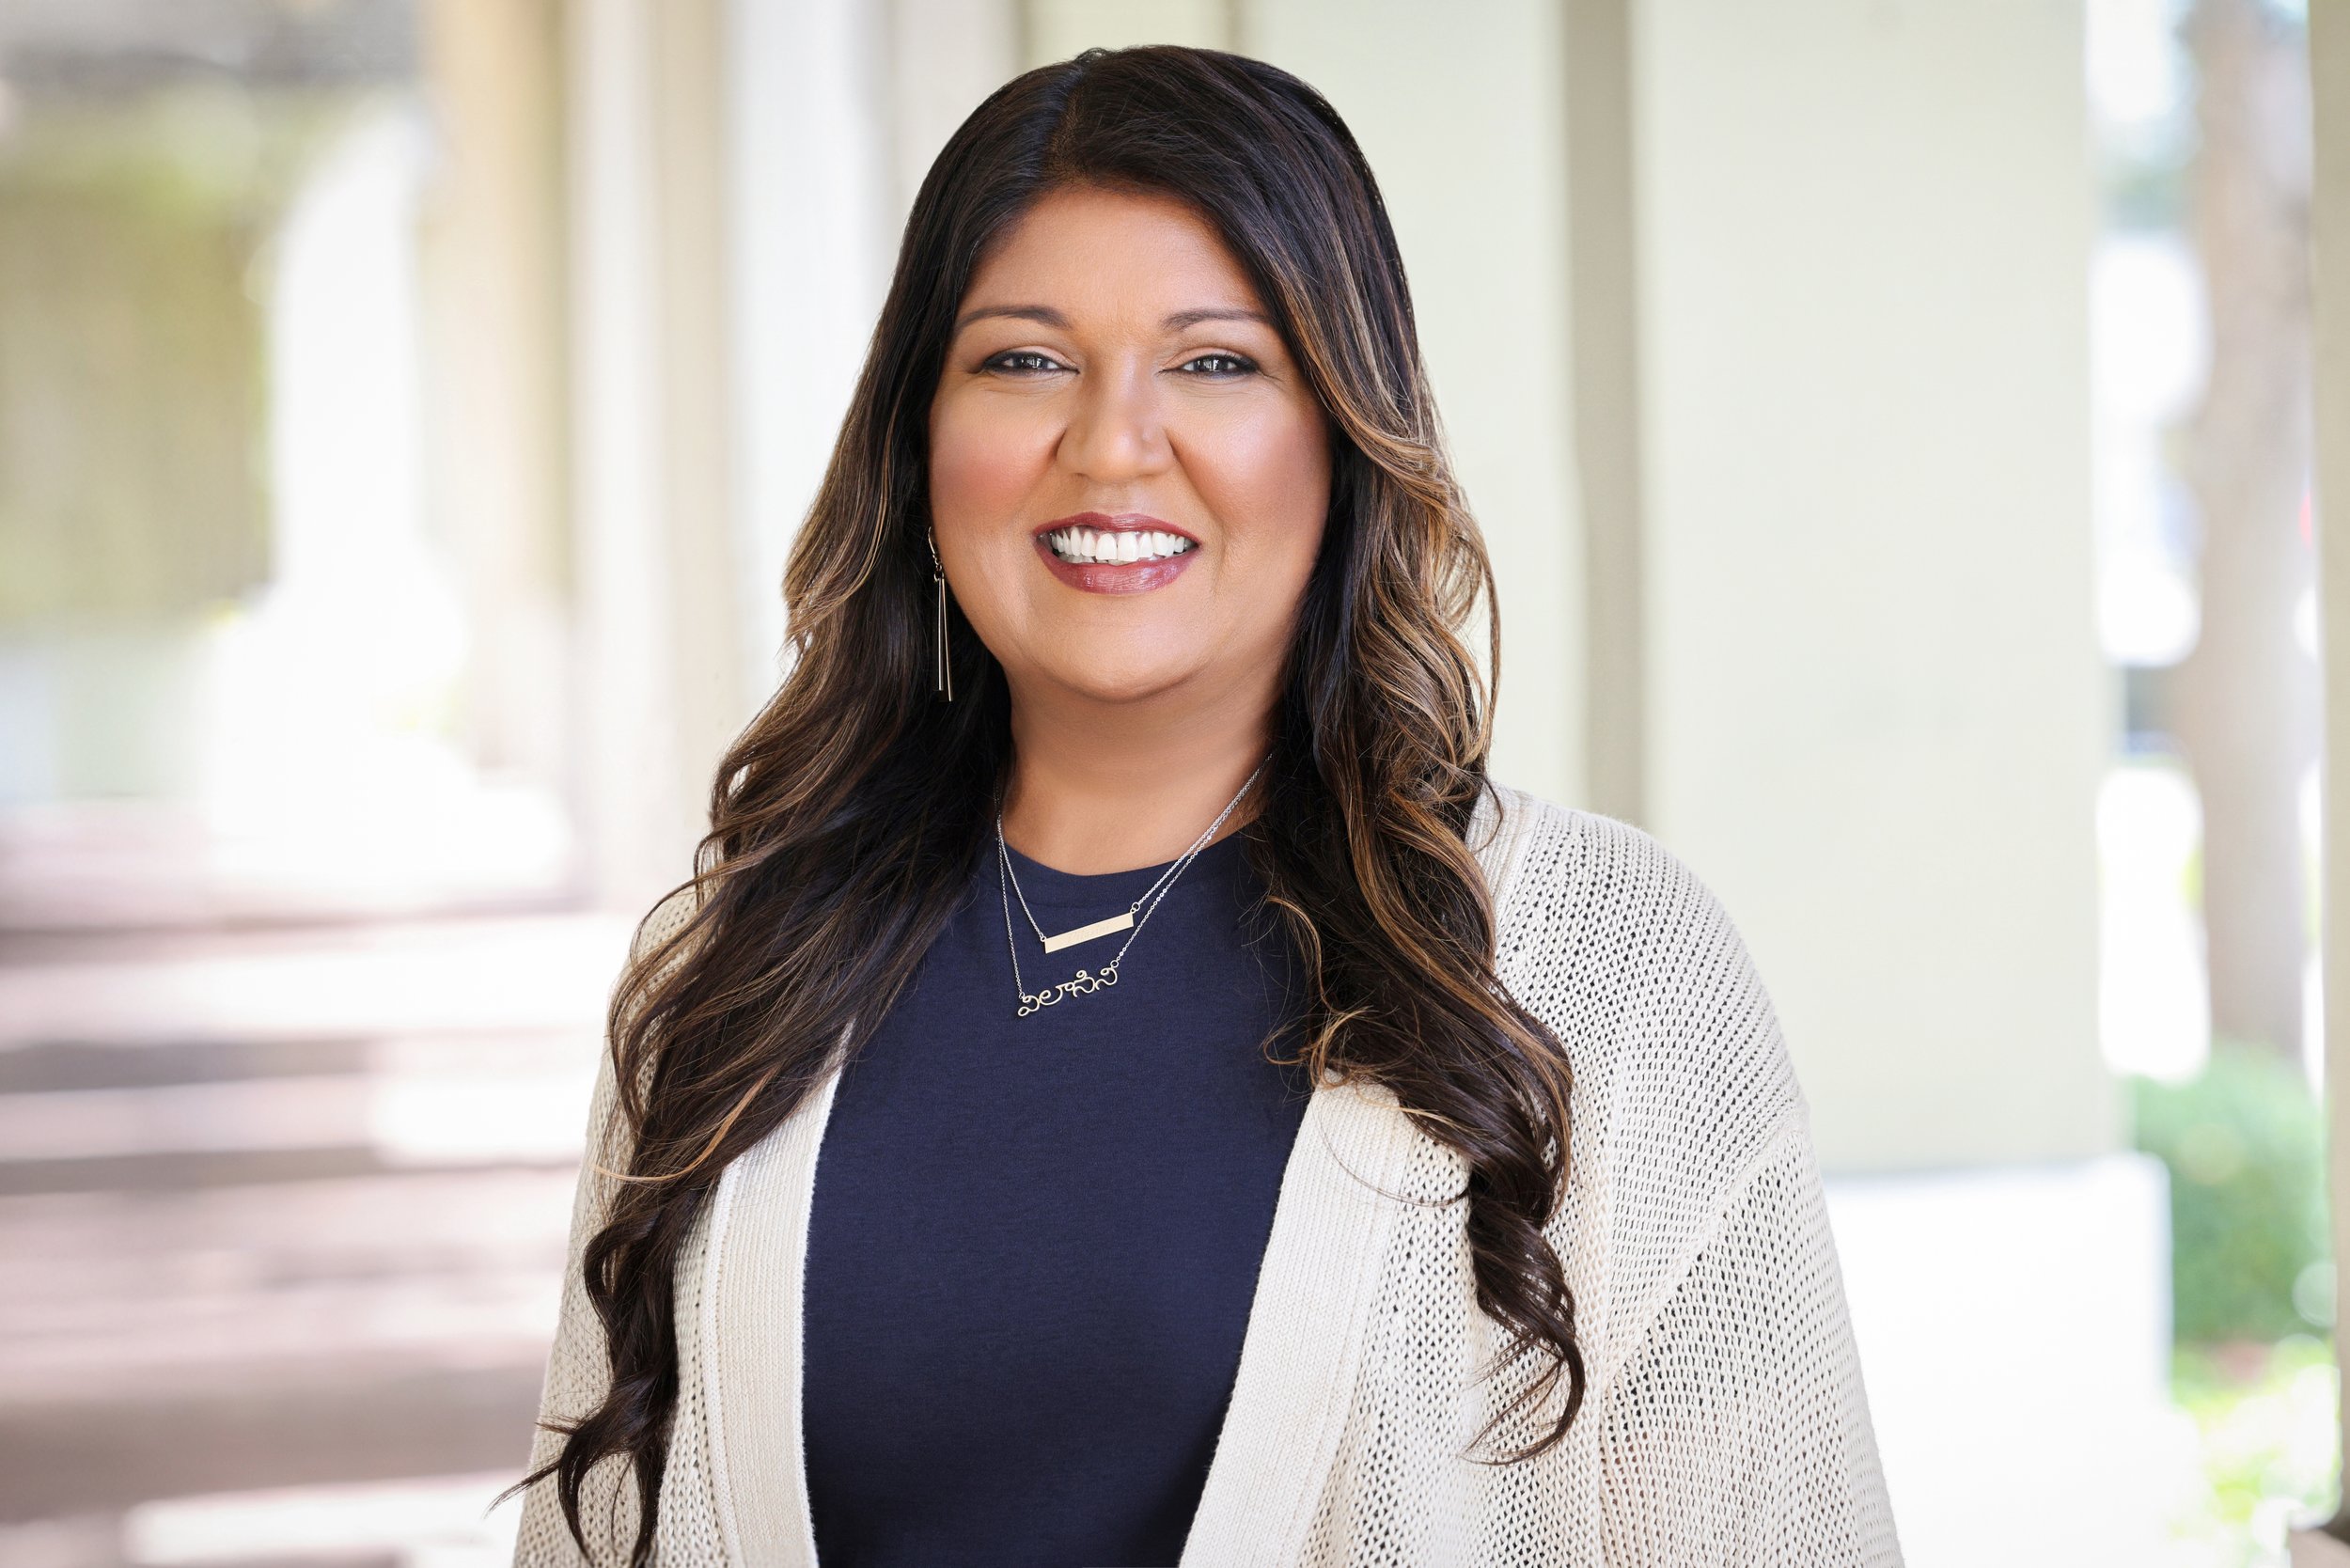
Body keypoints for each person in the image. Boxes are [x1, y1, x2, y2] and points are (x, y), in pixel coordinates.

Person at [503, 42, 1902, 1568]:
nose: (1110, 445)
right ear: (918, 444)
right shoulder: (729, 967)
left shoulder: (1606, 968)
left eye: (1217, 362)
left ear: (1345, 437)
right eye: (1025, 360)